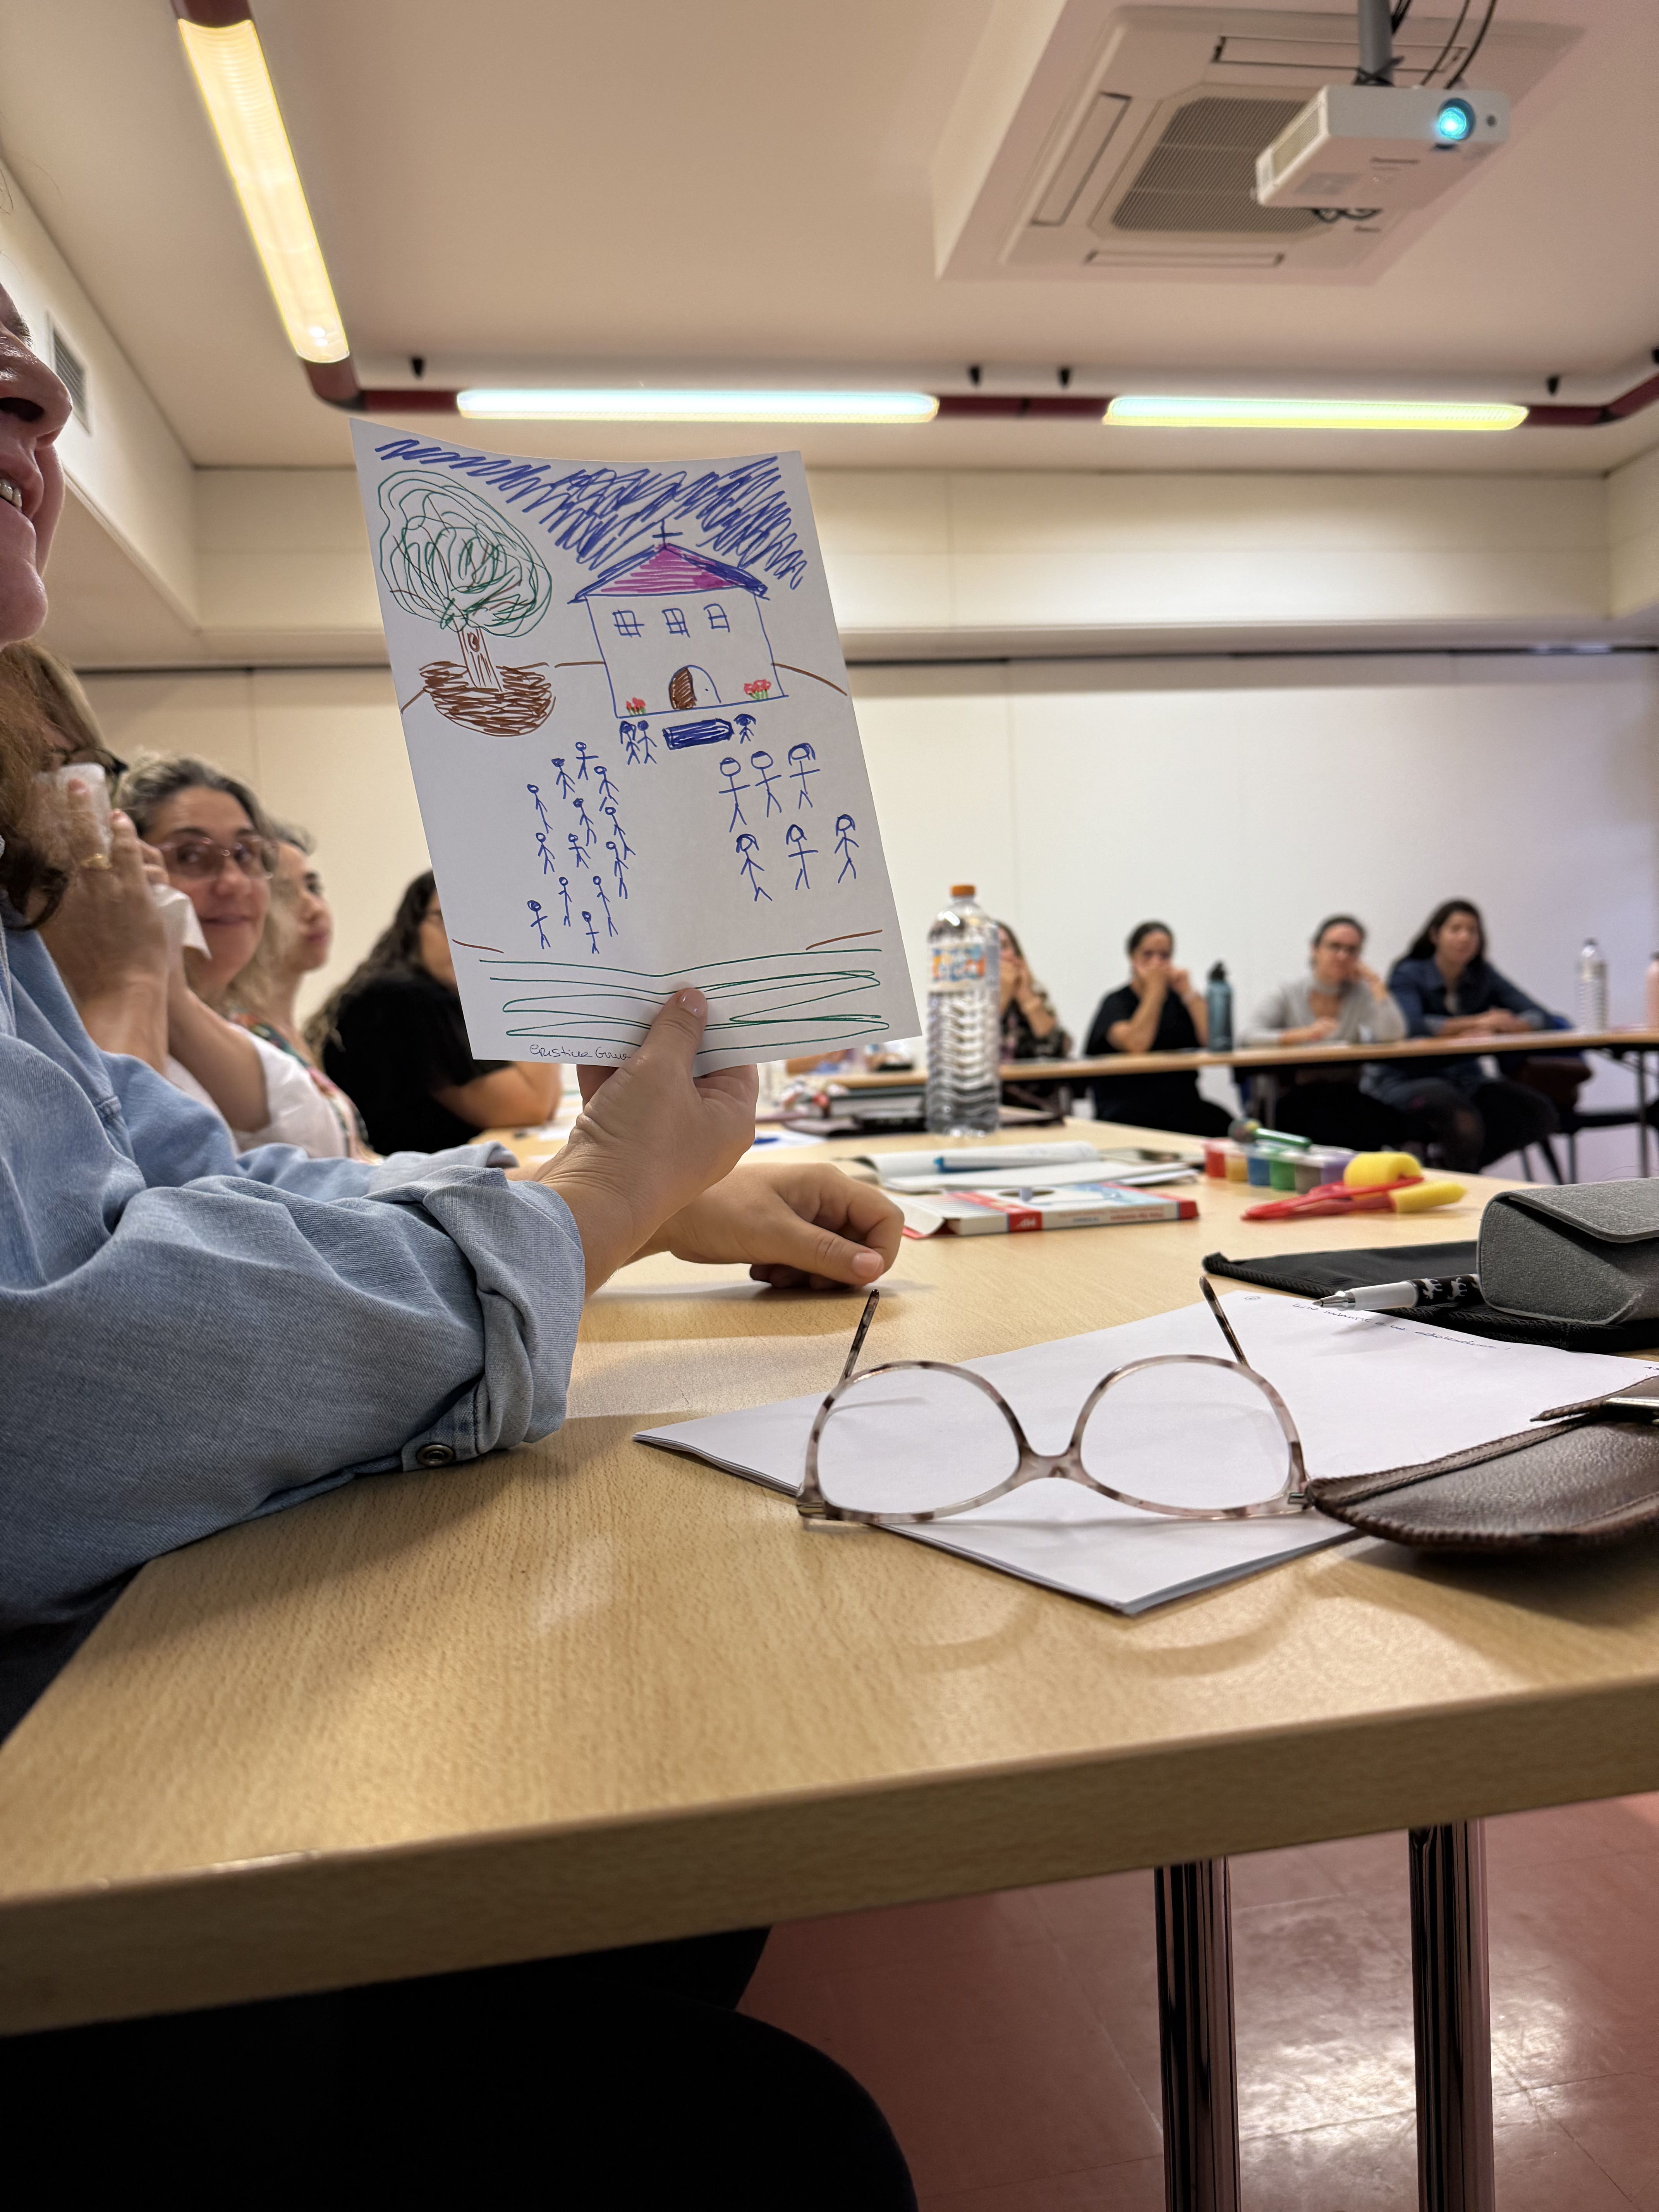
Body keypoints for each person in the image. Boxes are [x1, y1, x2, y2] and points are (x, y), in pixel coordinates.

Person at [0, 292, 914, 2204]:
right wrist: (587, 1206)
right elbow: (52, 1389)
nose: (32, 400)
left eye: (36, 380)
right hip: (78, 1854)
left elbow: (212, 1210)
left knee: (673, 1850)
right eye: (161, 845)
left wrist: (616, 1203)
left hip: (132, 1743)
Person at [86, 752, 350, 1157]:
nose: (233, 883)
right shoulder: (96, 1030)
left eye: (244, 854)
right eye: (191, 856)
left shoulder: (237, 1029)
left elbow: (322, 1144)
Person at [318, 871, 563, 1153]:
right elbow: (532, 1106)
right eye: (448, 919)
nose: (467, 938)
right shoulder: (406, 997)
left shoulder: (421, 993)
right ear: (413, 926)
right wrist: (527, 979)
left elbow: (545, 1102)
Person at [1369, 898, 1566, 1170]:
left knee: (1538, 1112)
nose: (1465, 937)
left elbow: (1542, 1017)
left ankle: (1453, 1170)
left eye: (1472, 931)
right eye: (1456, 929)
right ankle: (1458, 1173)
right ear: (1435, 935)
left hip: (1464, 1079)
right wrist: (1477, 1022)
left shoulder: (1482, 975)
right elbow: (1411, 1027)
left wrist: (1503, 1025)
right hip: (1409, 1078)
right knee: (1462, 1118)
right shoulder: (1408, 973)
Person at [224, 823, 370, 1156]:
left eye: (314, 887)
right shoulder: (238, 1035)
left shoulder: (291, 1032)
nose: (314, 909)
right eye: (285, 895)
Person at [1241, 914, 1408, 1147]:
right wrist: (1303, 1034)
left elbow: (1393, 1034)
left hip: (1346, 1095)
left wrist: (1375, 984)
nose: (1342, 956)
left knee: (1392, 1123)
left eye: (1352, 950)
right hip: (1296, 1096)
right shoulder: (1289, 992)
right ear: (1315, 949)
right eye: (1335, 947)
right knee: (1328, 1121)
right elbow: (1248, 1036)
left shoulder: (1359, 993)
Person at [1084, 921, 1230, 1136]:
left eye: (1164, 956)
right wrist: (1154, 991)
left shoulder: (1179, 1001)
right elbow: (1136, 1044)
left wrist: (1189, 993)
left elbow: (1214, 1041)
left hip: (1181, 1104)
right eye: (1148, 955)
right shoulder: (1116, 1002)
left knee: (1230, 1128)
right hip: (1126, 1107)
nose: (1156, 964)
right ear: (1132, 958)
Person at [997, 919, 1072, 1115]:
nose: (997, 956)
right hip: (987, 1105)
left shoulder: (1034, 998)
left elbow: (1057, 1050)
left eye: (1003, 947)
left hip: (1037, 1105)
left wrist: (1026, 997)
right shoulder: (964, 1003)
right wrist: (1001, 1000)